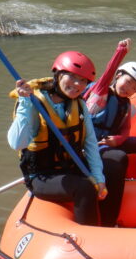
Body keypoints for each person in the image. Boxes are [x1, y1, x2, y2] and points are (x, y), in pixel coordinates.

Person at [7, 51, 113, 226]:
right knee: (84, 187)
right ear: (58, 74)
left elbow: (91, 143)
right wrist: (25, 102)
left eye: (83, 80)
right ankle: (90, 239)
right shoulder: (34, 103)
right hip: (42, 177)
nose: (78, 84)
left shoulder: (78, 104)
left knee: (114, 162)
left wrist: (99, 179)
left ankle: (109, 224)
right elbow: (16, 143)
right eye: (72, 77)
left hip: (70, 167)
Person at [90, 60, 136, 180]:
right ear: (118, 76)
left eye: (134, 88)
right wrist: (121, 51)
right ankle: (119, 184)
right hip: (94, 144)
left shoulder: (126, 104)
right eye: (128, 82)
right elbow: (108, 72)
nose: (128, 88)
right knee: (120, 156)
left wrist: (118, 140)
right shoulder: (100, 93)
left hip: (112, 141)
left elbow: (126, 129)